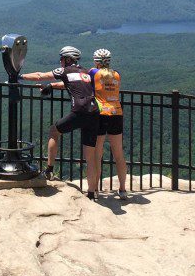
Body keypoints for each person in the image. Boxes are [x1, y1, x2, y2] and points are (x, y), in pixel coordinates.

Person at [19, 46, 100, 200]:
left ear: (67, 59)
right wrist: (52, 86)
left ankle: (49, 169)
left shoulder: (64, 71)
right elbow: (69, 84)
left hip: (79, 111)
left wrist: (20, 76)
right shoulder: (84, 72)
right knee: (90, 157)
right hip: (94, 112)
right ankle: (91, 194)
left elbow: (39, 76)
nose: (60, 61)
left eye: (61, 58)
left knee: (54, 131)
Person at [89, 48, 128, 201]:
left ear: (96, 61)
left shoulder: (93, 72)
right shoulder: (116, 74)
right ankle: (123, 189)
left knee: (97, 154)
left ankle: (96, 189)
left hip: (100, 114)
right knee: (118, 153)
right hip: (116, 113)